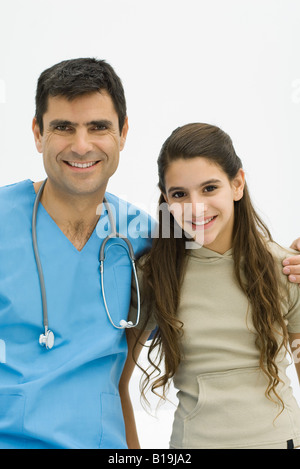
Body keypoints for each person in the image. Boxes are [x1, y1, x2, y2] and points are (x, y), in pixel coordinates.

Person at [0, 58, 154, 449]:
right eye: (63, 128)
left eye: (98, 127)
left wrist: (285, 263)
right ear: (38, 133)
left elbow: (228, 269)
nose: (81, 145)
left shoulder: (146, 237)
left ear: (122, 134)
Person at [126, 123, 300, 449]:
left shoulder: (287, 268)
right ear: (166, 199)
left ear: (237, 184)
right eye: (180, 194)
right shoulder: (154, 276)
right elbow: (117, 385)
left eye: (209, 188)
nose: (196, 207)